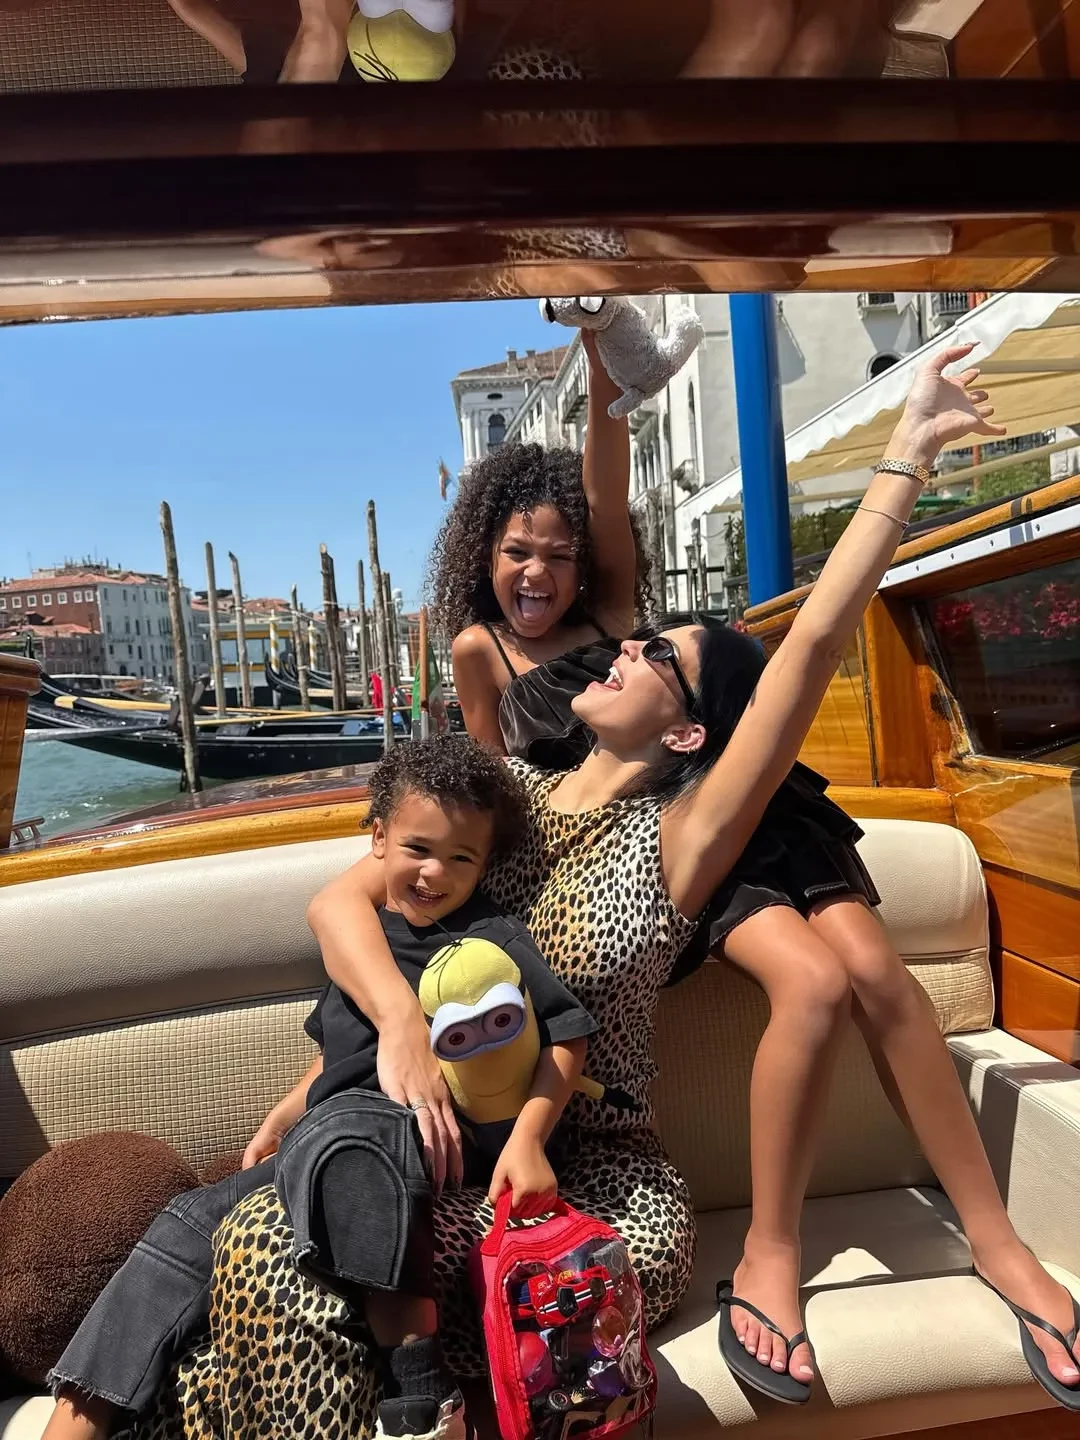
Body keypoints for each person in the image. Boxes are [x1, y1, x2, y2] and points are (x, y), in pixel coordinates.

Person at [306, 345, 1079, 1414]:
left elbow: (810, 646)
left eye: (654, 657)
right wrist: (386, 1034)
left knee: (854, 978)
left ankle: (950, 1243)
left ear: (685, 730)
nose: (622, 651)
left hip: (591, 1158)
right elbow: (348, 894)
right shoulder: (508, 803)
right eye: (635, 646)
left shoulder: (671, 838)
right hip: (458, 1139)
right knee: (306, 1249)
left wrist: (907, 451)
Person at [43, 735, 594, 1440]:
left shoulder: (490, 940)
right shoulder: (364, 943)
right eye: (418, 849)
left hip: (422, 1138)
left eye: (462, 859)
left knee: (359, 1135)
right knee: (186, 1222)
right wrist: (287, 1111)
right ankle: (77, 1423)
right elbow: (339, 1055)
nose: (436, 872)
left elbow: (567, 1035)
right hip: (330, 1132)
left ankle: (422, 1392)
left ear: (485, 865)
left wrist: (528, 1140)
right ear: (378, 839)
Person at [434, 331, 650, 756]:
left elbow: (605, 502)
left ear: (583, 564)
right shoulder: (478, 650)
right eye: (517, 552)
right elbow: (496, 775)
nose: (536, 571)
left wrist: (599, 355)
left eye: (560, 556)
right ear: (486, 558)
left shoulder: (608, 618)